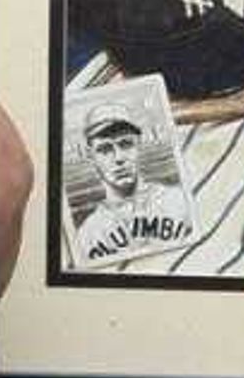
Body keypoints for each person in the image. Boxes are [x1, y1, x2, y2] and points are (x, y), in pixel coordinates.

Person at [67, 101, 194, 262]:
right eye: (105, 149)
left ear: (138, 145)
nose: (119, 158)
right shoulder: (88, 233)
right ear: (90, 155)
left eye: (126, 144)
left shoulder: (178, 200)